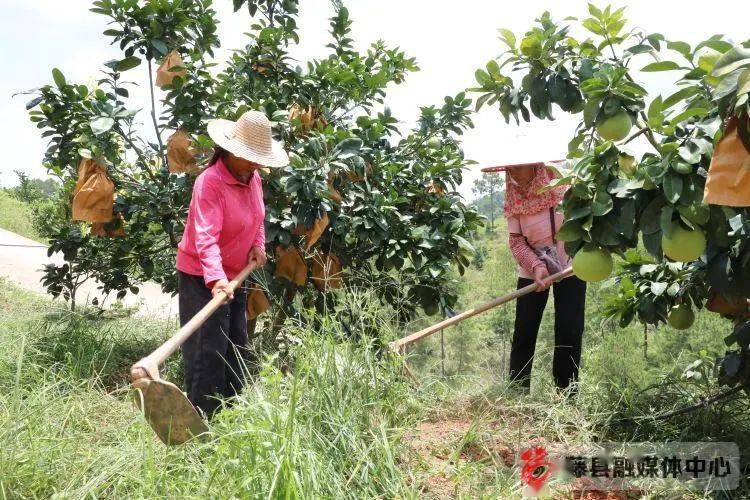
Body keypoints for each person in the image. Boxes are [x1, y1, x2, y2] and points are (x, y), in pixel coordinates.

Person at [176, 110, 289, 417]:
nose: (256, 164)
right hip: (202, 277)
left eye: (258, 158)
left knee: (236, 346)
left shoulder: (252, 180)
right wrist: (215, 281)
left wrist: (258, 246)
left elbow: (258, 218)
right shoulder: (210, 183)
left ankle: (229, 417)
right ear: (229, 151)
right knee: (207, 351)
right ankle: (200, 423)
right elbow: (206, 236)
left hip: (236, 274)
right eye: (249, 156)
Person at [502, 162, 586, 393]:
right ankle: (517, 392)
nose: (515, 173)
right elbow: (517, 242)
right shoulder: (513, 197)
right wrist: (537, 267)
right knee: (524, 330)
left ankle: (566, 393)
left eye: (520, 167)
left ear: (536, 166)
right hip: (532, 268)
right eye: (511, 169)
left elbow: (583, 221)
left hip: (570, 266)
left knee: (569, 329)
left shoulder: (563, 186)